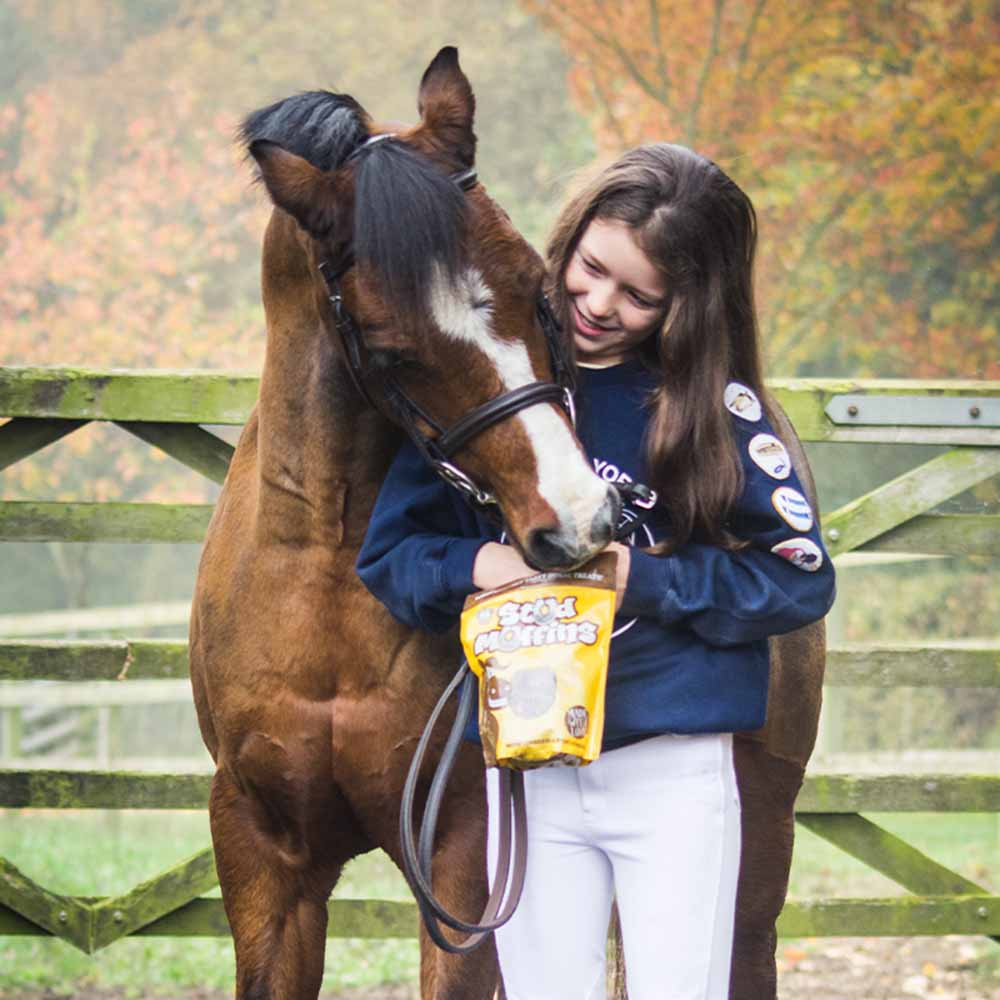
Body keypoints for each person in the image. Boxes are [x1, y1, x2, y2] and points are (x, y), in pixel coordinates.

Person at [356, 143, 835, 1000]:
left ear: (687, 305)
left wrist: (645, 579)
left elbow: (799, 580)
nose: (600, 304)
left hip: (672, 771)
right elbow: (391, 557)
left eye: (639, 296)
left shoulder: (717, 415)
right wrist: (479, 561)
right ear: (569, 240)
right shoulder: (491, 391)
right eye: (592, 270)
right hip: (527, 771)